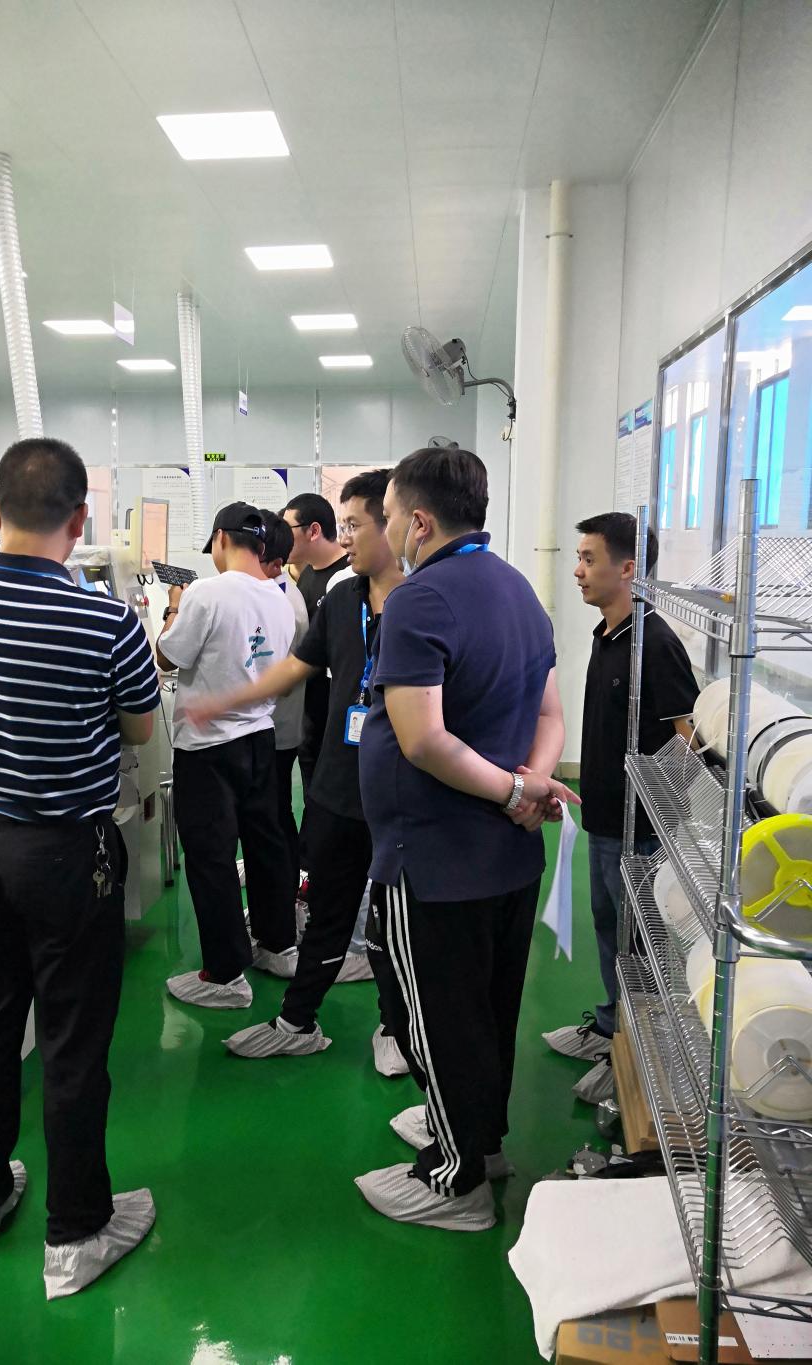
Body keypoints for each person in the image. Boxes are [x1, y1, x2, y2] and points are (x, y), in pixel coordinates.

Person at [0, 436, 161, 1299]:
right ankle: (77, 1230)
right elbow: (140, 728)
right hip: (66, 853)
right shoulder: (104, 619)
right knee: (72, 1039)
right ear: (81, 519)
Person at [353, 446, 577, 1233]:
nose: (385, 531)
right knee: (484, 1010)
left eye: (387, 517)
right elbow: (550, 715)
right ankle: (480, 1141)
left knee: (433, 1017)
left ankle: (455, 1180)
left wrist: (517, 790)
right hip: (505, 857)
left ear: (419, 521)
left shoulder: (419, 599)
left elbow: (423, 740)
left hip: (433, 858)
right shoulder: (519, 590)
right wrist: (531, 784)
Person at [186, 470, 406, 1060]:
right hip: (337, 787)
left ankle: (395, 1027)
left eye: (354, 524)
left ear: (397, 524)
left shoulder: (424, 605)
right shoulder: (341, 600)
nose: (344, 537)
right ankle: (297, 1023)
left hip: (400, 795)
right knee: (328, 911)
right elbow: (294, 666)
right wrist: (228, 699)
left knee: (392, 922)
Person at [542, 513, 698, 1099]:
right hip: (606, 821)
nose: (578, 571)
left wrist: (661, 820)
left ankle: (636, 1057)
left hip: (641, 830)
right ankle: (612, 1028)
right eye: (578, 558)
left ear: (628, 568)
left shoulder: (655, 643)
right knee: (610, 929)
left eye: (589, 559)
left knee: (640, 947)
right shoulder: (608, 634)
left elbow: (688, 740)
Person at [157, 502, 298, 1009]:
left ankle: (223, 975)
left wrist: (174, 606)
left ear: (220, 539)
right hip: (260, 738)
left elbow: (167, 656)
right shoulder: (279, 597)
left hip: (208, 747)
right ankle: (278, 945)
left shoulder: (206, 592)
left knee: (211, 858)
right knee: (265, 846)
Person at [280, 493, 351, 808]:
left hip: (334, 716)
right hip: (308, 713)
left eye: (288, 530)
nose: (282, 539)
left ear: (314, 530)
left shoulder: (349, 578)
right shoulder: (307, 575)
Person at [257, 508, 308, 900]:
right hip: (275, 727)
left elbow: (272, 678)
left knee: (273, 816)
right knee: (272, 813)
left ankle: (284, 900)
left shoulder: (282, 604)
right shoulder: (277, 594)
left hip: (275, 729)